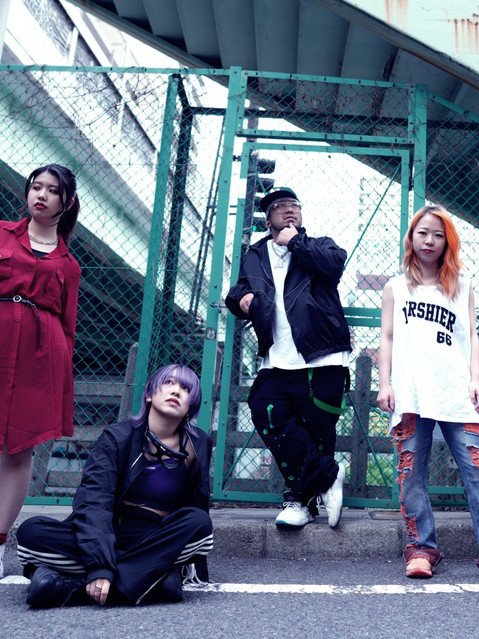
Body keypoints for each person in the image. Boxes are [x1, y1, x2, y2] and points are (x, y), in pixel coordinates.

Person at [376, 205, 479, 582]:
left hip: (455, 391)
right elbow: (387, 338)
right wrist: (385, 384)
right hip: (410, 392)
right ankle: (421, 550)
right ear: (411, 238)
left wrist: (476, 380)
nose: (429, 240)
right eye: (422, 233)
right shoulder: (395, 287)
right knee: (410, 474)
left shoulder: (462, 286)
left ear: (448, 241)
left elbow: (472, 337)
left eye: (438, 234)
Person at [16, 364, 214, 608]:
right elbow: (94, 499)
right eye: (168, 383)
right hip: (108, 530)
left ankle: (71, 587)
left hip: (154, 538)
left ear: (190, 406)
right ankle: (152, 579)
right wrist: (100, 565)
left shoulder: (198, 443)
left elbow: (197, 502)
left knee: (199, 524)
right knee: (31, 532)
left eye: (186, 389)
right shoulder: (117, 437)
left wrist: (193, 564)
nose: (176, 391)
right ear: (149, 395)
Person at [225, 187, 351, 529]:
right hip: (276, 358)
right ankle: (328, 475)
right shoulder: (255, 254)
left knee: (317, 432)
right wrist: (240, 299)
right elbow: (240, 287)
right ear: (268, 220)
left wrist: (295, 242)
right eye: (280, 207)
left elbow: (332, 267)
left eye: (294, 205)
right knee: (264, 409)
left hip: (321, 356)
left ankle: (298, 503)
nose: (288, 210)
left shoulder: (319, 245)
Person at [0, 164, 81, 579]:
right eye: (36, 187)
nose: (41, 195)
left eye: (52, 190)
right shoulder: (1, 233)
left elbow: (67, 326)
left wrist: (58, 378)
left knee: (18, 449)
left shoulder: (69, 264)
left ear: (66, 202)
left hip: (40, 356)